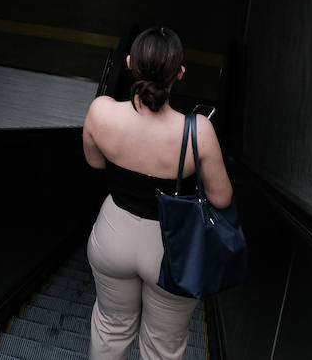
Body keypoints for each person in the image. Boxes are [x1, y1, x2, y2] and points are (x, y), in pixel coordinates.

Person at [82, 27, 235, 360]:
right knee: (163, 345)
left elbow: (95, 162)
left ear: (128, 63)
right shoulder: (198, 131)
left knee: (110, 328)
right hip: (172, 246)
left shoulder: (101, 112)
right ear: (179, 74)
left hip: (112, 233)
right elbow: (222, 199)